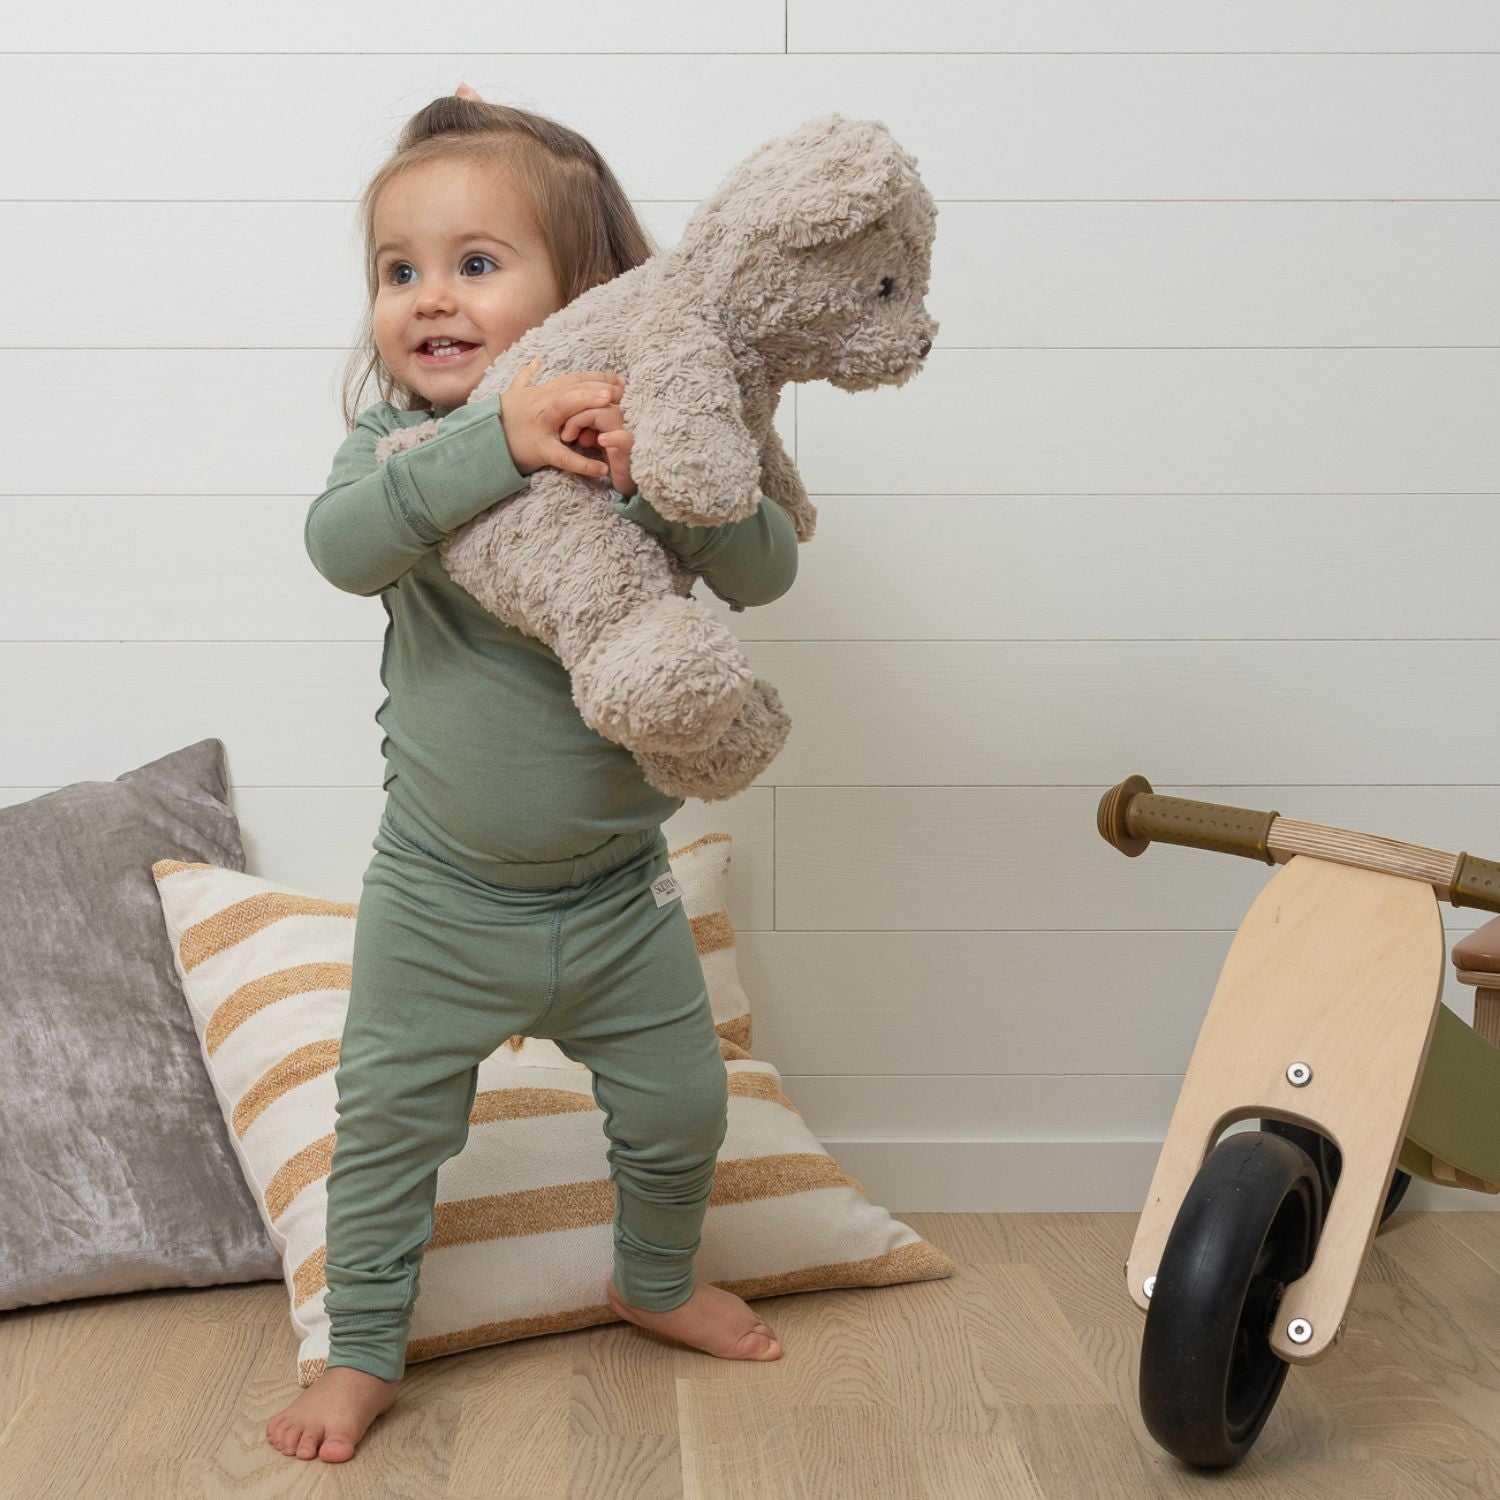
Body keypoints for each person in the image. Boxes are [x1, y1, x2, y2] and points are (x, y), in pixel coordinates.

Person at [265, 84, 798, 1465]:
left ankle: (655, 1277)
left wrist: (677, 478)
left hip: (619, 898)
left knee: (685, 1105)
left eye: (476, 264)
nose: (428, 298)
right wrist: (493, 440)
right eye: (400, 271)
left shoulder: (634, 440)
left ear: (590, 294)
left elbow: (764, 572)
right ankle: (362, 1349)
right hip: (441, 901)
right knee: (386, 1134)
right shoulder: (399, 454)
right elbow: (340, 543)